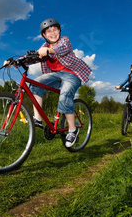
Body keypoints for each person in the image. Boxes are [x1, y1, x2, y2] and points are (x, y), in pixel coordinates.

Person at [31, 18, 92, 148]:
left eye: (55, 30)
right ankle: (37, 118)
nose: (53, 33)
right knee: (36, 83)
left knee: (64, 97)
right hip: (56, 76)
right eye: (49, 32)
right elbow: (34, 57)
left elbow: (62, 48)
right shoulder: (43, 47)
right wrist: (14, 62)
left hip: (72, 74)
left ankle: (72, 130)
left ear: (59, 31)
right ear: (44, 35)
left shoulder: (64, 40)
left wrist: (50, 51)